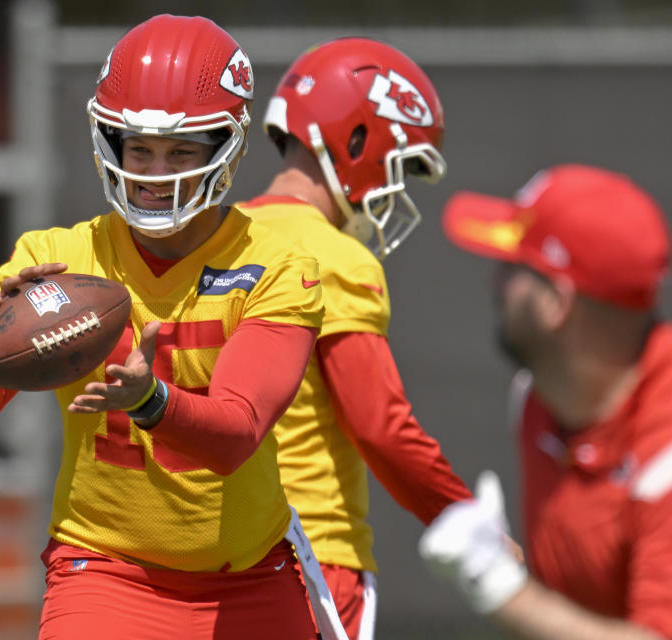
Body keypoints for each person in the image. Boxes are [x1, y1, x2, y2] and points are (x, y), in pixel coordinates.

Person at [0, 15, 345, 640]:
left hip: (249, 578)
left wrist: (151, 402)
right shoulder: (55, 256)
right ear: (110, 142)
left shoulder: (277, 265)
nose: (156, 173)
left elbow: (235, 434)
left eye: (181, 150)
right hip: (106, 570)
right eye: (139, 148)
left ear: (223, 150)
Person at [419, 164, 672, 639]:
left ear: (556, 304)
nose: (493, 286)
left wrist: (503, 589)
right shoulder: (536, 399)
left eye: (512, 269)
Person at [236, 38, 474, 639]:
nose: (396, 192)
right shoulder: (336, 256)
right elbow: (380, 427)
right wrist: (465, 519)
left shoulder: (219, 239)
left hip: (210, 558)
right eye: (401, 167)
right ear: (358, 139)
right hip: (312, 559)